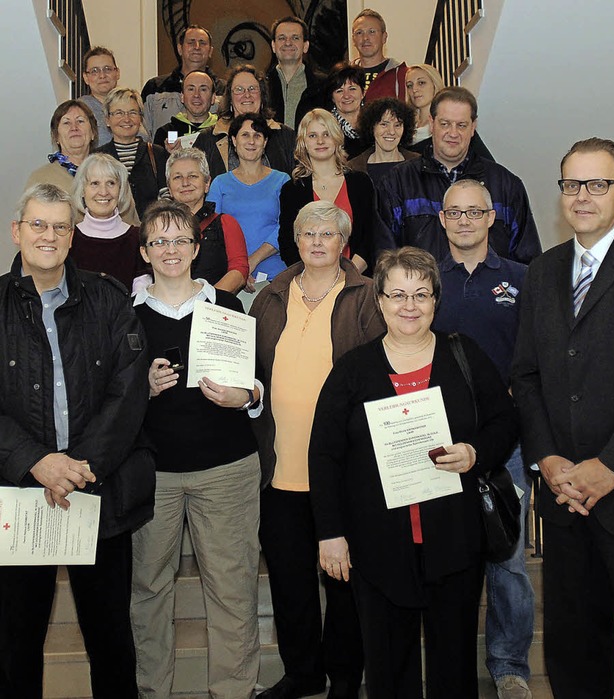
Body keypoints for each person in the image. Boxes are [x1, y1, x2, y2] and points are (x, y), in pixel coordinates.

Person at [308, 246, 518, 699]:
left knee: (454, 665)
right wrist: (331, 533)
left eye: (421, 294)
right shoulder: (353, 369)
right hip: (377, 546)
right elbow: (324, 456)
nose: (409, 306)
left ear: (435, 302)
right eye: (398, 294)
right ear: (379, 300)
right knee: (387, 668)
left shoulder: (464, 355)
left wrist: (474, 452)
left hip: (455, 541)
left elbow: (505, 421)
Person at [0, 183, 154, 699]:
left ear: (74, 237)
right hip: (19, 496)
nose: (49, 235)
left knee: (111, 640)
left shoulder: (108, 298)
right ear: (17, 232)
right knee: (14, 645)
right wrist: (36, 462)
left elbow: (129, 390)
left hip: (98, 491)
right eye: (38, 225)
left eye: (61, 226)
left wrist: (80, 466)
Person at [511, 137, 614, 698]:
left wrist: (610, 465)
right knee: (572, 655)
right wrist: (548, 458)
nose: (582, 196)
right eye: (571, 184)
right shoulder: (541, 272)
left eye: (598, 184)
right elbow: (528, 375)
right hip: (564, 503)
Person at [250, 201, 386, 699]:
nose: (316, 241)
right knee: (290, 585)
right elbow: (252, 369)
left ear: (343, 241)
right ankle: (302, 672)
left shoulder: (366, 296)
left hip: (344, 473)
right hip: (279, 468)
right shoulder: (271, 295)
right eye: (307, 232)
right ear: (296, 238)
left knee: (346, 585)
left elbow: (383, 372)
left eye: (327, 233)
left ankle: (346, 678)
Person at [131, 199, 263, 699]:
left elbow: (260, 381)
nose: (171, 250)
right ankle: (151, 690)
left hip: (225, 469)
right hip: (151, 473)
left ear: (195, 247)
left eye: (180, 240)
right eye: (159, 241)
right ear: (145, 251)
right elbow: (105, 395)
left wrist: (245, 394)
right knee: (147, 591)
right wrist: (140, 387)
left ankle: (233, 690)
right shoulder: (125, 315)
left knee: (231, 589)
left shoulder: (227, 308)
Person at [431, 179, 534, 699]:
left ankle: (509, 661)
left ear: (492, 217)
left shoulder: (522, 279)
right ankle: (443, 662)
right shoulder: (425, 280)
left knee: (507, 557)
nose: (465, 220)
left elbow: (535, 359)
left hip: (505, 446)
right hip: (436, 445)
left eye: (476, 212)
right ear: (442, 219)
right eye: (456, 212)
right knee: (441, 554)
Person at [377, 86, 541, 264]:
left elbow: (528, 261)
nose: (453, 133)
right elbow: (385, 259)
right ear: (432, 124)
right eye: (445, 124)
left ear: (473, 127)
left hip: (489, 291)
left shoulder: (506, 185)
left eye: (461, 125)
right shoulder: (397, 183)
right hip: (423, 290)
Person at [278, 108, 374, 274]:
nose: (320, 141)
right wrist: (315, 278)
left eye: (326, 134)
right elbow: (288, 243)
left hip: (357, 278)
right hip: (310, 281)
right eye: (313, 135)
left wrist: (348, 276)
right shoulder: (292, 190)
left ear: (337, 139)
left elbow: (370, 237)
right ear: (303, 142)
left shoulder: (360, 183)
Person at [206, 113, 290, 299]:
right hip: (230, 275)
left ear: (265, 141)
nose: (251, 141)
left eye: (257, 135)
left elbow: (286, 225)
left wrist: (252, 260)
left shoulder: (283, 180)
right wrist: (239, 268)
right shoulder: (220, 183)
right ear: (234, 140)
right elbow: (213, 231)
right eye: (245, 135)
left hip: (277, 276)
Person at [166, 146, 248, 293]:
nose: (185, 183)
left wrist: (206, 302)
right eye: (177, 177)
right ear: (169, 187)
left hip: (212, 309)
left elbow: (239, 270)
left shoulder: (226, 223)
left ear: (207, 183)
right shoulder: (158, 228)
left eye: (193, 176)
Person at [194, 63, 296, 179]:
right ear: (230, 99)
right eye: (239, 90)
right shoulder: (207, 140)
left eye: (252, 89)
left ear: (262, 96)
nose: (247, 95)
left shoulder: (286, 137)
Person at [70, 152, 147, 290]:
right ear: (82, 190)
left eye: (111, 183)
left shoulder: (138, 239)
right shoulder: (69, 238)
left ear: (121, 189)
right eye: (95, 183)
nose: (103, 192)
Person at [97, 87, 168, 219]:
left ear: (140, 118)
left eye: (133, 113)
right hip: (110, 233)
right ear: (107, 119)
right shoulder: (97, 158)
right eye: (119, 113)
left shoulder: (157, 154)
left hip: (150, 232)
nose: (127, 119)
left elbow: (167, 196)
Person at [141, 24, 221, 140]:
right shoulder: (154, 87)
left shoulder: (224, 89)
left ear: (210, 51)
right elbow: (143, 132)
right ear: (180, 49)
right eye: (191, 42)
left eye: (202, 43)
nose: (197, 47)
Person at [404, 64, 493, 160]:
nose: (414, 89)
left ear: (434, 84)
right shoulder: (404, 126)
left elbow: (488, 165)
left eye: (421, 83)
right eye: (409, 85)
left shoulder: (460, 126)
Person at [25, 99, 98, 194]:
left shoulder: (108, 173)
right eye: (66, 123)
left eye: (80, 121)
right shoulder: (40, 179)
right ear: (56, 136)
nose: (74, 128)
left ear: (93, 132)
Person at [266, 16, 324, 130]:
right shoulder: (261, 85)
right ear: (273, 46)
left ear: (305, 46)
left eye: (295, 38)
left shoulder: (323, 86)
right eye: (282, 38)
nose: (288, 43)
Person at [347, 97, 419, 189]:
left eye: (397, 125)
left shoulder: (418, 164)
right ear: (372, 127)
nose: (391, 131)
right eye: (384, 124)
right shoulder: (353, 167)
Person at [153, 70, 218, 152]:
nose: (196, 95)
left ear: (213, 98)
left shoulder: (222, 131)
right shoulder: (166, 133)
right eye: (191, 89)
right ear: (182, 97)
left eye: (203, 89)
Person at [351, 9, 407, 103]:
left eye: (372, 32)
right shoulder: (344, 76)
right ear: (353, 39)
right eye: (359, 33)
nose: (365, 38)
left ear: (384, 37)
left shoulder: (401, 75)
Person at [80, 47, 122, 147]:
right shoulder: (80, 109)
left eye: (107, 69)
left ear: (117, 73)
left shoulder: (132, 105)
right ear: (86, 78)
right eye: (94, 71)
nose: (102, 75)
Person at [326, 62, 367, 159]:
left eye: (352, 89)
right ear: (332, 97)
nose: (346, 96)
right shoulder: (326, 127)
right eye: (339, 91)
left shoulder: (375, 124)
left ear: (363, 93)